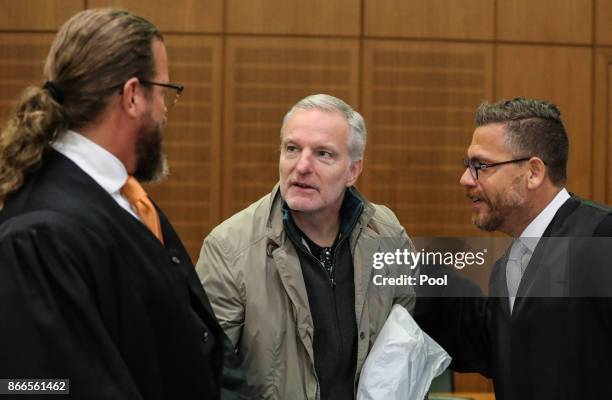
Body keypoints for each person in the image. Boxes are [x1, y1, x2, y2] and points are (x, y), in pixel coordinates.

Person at [0, 9, 226, 399]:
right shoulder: (38, 234)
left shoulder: (125, 199)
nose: (165, 111)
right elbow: (39, 387)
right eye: (165, 92)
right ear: (133, 95)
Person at [196, 94, 415, 399]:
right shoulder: (229, 248)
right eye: (292, 149)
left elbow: (404, 347)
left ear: (353, 170)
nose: (301, 166)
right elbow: (207, 374)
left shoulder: (387, 234)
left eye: (323, 154)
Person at [414, 97, 612, 400]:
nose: (465, 179)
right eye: (468, 166)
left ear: (533, 172)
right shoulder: (509, 265)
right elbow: (499, 351)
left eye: (481, 165)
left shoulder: (600, 237)